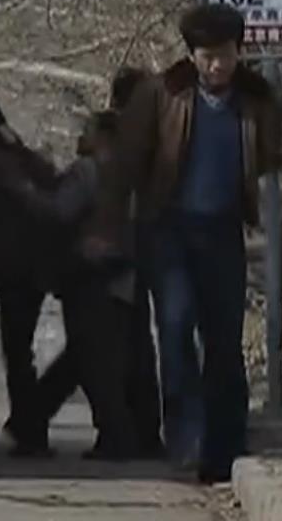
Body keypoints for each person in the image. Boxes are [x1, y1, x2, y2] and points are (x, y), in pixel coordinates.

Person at [114, 4, 282, 482]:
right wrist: (111, 227)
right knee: (175, 326)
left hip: (223, 231)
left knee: (224, 339)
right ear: (191, 55)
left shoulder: (256, 99)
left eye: (225, 55)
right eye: (207, 56)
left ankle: (226, 444)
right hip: (167, 229)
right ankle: (186, 438)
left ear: (238, 51)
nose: (217, 66)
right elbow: (126, 163)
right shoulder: (161, 93)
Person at [21, 110, 139, 460]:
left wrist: (27, 193)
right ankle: (37, 420)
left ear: (104, 137)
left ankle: (109, 432)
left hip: (88, 274)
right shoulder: (132, 175)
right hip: (121, 276)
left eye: (88, 130)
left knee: (90, 359)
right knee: (91, 357)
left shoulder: (87, 171)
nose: (80, 137)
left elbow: (60, 211)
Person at [0, 97, 59, 457]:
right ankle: (30, 428)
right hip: (32, 269)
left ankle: (30, 429)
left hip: (3, 265)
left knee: (16, 352)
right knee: (20, 352)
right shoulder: (28, 159)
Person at [110, 66, 165, 457]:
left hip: (122, 255)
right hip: (139, 251)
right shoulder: (151, 137)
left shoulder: (123, 141)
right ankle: (143, 429)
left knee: (126, 344)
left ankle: (137, 430)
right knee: (135, 342)